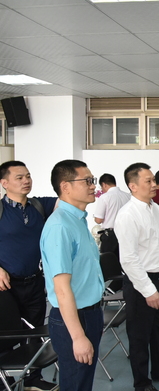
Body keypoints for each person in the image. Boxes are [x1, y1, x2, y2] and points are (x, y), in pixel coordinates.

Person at [114, 163, 159, 391]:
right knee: (139, 337)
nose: (154, 184)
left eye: (154, 180)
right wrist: (148, 290)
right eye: (149, 181)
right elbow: (129, 260)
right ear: (133, 186)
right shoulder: (127, 215)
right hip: (140, 286)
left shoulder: (154, 208)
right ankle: (142, 383)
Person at [40, 159, 105, 391]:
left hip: (90, 312)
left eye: (92, 180)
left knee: (83, 382)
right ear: (65, 187)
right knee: (75, 383)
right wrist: (77, 336)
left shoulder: (77, 220)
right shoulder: (60, 226)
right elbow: (61, 288)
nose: (93, 186)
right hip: (75, 318)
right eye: (87, 181)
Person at [0, 160, 58, 391]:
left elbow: (68, 198)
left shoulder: (38, 205)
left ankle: (32, 380)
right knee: (5, 335)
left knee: (34, 333)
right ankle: (6, 381)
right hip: (6, 287)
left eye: (28, 176)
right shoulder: (1, 210)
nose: (26, 181)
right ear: (4, 183)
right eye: (19, 177)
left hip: (34, 282)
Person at [94, 173, 130, 256]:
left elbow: (98, 220)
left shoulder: (105, 197)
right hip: (126, 233)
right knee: (123, 260)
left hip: (110, 235)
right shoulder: (128, 196)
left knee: (108, 260)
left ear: (104, 184)